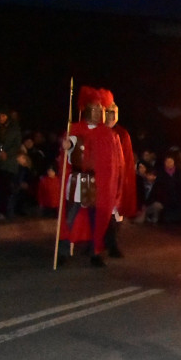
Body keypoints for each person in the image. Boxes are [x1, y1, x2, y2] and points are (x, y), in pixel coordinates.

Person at [58, 87, 121, 266]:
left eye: (100, 110)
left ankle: (95, 253)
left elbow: (110, 164)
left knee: (97, 219)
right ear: (86, 110)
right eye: (94, 109)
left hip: (97, 184)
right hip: (77, 180)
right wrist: (67, 145)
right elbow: (69, 153)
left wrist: (109, 186)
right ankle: (62, 251)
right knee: (69, 217)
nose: (97, 113)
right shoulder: (75, 129)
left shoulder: (107, 134)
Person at [100, 89, 137, 257]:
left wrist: (125, 182)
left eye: (114, 113)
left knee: (115, 215)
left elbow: (127, 161)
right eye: (109, 112)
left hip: (118, 181)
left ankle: (112, 244)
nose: (112, 116)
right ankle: (98, 244)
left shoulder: (122, 134)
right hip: (101, 180)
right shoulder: (98, 132)